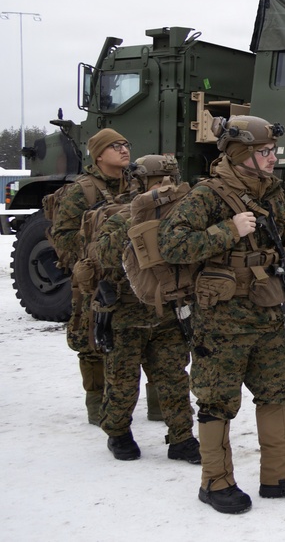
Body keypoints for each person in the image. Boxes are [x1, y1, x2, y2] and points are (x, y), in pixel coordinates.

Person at [157, 115, 285, 515]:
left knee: (276, 390)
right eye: (264, 153)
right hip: (221, 319)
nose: (272, 159)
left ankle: (279, 473)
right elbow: (172, 245)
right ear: (241, 155)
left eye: (273, 152)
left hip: (267, 311)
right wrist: (228, 231)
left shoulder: (271, 193)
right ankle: (215, 480)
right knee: (217, 398)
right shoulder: (208, 195)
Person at [94, 155, 200, 463]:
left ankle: (181, 438)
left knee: (174, 378)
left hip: (166, 315)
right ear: (140, 184)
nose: (165, 187)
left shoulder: (181, 218)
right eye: (158, 182)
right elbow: (105, 256)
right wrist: (138, 219)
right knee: (123, 383)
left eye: (170, 180)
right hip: (125, 318)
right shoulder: (119, 215)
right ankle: (118, 433)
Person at [49, 128, 131, 424]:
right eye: (116, 146)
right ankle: (97, 405)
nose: (124, 150)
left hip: (130, 279)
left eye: (125, 144)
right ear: (99, 155)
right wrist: (93, 260)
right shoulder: (81, 190)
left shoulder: (134, 185)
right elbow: (62, 238)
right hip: (94, 280)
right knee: (91, 340)